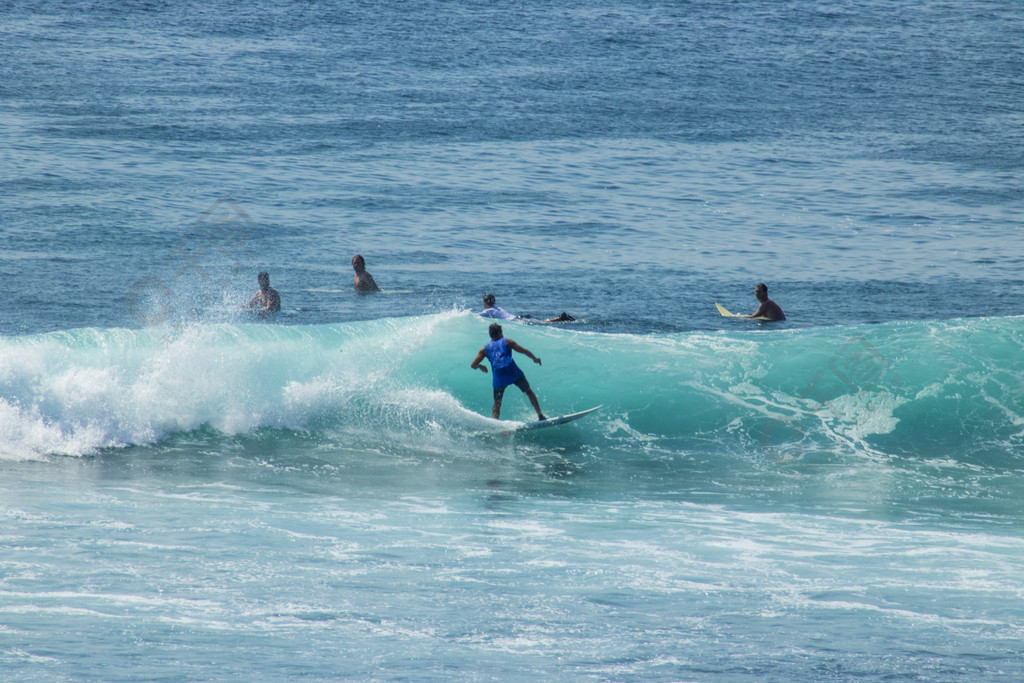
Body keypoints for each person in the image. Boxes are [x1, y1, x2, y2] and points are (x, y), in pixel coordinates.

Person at [471, 323, 546, 421]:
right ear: (500, 333)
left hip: (499, 376)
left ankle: (495, 423)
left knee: (497, 403)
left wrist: (480, 366)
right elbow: (524, 351)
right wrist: (534, 359)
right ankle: (540, 416)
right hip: (512, 371)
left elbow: (473, 365)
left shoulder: (484, 349)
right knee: (529, 392)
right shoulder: (507, 342)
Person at [478, 293, 574, 323]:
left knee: (543, 322)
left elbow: (474, 317)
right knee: (542, 321)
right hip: (520, 317)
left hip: (517, 320)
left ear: (484, 303)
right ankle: (560, 318)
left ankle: (561, 318)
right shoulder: (497, 308)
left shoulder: (487, 311)